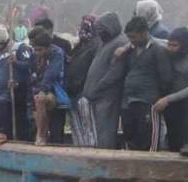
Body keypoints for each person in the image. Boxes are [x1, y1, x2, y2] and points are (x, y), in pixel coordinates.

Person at [115, 16, 172, 151]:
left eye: (134, 37)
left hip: (147, 102)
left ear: (144, 33)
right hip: (129, 101)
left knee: (147, 140)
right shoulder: (130, 50)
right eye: (129, 38)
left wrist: (157, 98)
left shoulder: (158, 51)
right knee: (130, 137)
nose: (131, 41)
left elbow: (166, 78)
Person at [80, 12, 129, 150]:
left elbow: (115, 73)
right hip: (97, 96)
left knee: (106, 131)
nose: (100, 32)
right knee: (98, 130)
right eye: (98, 29)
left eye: (102, 29)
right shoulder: (105, 43)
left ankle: (106, 159)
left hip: (107, 96)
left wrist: (98, 87)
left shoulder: (119, 43)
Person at [154, 28, 188, 153]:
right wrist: (126, 47)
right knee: (172, 139)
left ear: (184, 46)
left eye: (174, 46)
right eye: (169, 44)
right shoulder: (168, 47)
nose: (170, 48)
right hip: (169, 99)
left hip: (186, 101)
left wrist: (168, 99)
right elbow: (150, 39)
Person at [0, 26, 31, 143]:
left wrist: (16, 64)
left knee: (17, 118)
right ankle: (2, 133)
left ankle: (6, 134)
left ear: (2, 42)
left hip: (17, 92)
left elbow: (30, 67)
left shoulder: (19, 48)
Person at [65, 15, 101, 146]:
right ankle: (80, 152)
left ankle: (91, 155)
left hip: (85, 94)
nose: (83, 29)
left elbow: (93, 71)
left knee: (89, 128)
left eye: (87, 25)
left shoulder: (96, 46)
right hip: (73, 93)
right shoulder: (80, 45)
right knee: (77, 128)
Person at [28, 27, 67, 146]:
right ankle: (42, 134)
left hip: (55, 91)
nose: (37, 53)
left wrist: (43, 90)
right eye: (35, 50)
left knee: (40, 100)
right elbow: (30, 68)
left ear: (48, 48)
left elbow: (52, 73)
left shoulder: (57, 53)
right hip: (40, 89)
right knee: (38, 106)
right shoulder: (35, 55)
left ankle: (40, 135)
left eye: (40, 50)